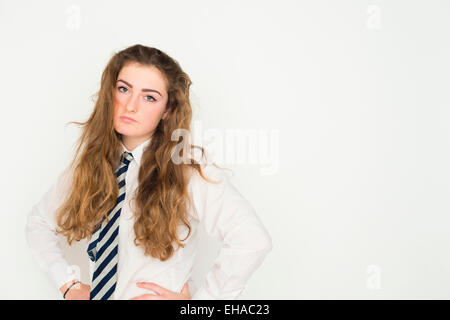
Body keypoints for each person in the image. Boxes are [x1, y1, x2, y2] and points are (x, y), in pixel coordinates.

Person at [25, 44, 273, 300]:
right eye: (123, 89)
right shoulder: (92, 165)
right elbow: (38, 223)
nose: (130, 106)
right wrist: (69, 286)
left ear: (167, 110)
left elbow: (251, 240)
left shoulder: (187, 169)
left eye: (149, 97)